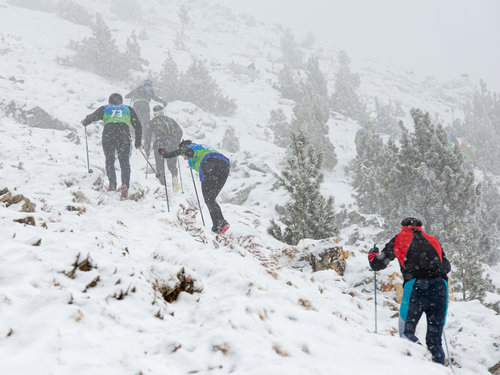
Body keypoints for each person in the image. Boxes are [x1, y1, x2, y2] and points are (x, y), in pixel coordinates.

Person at [368, 217, 451, 365]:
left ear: (403, 227)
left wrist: (372, 254)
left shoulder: (400, 238)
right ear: (420, 227)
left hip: (416, 287)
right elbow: (446, 267)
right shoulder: (433, 240)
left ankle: (418, 365)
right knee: (434, 341)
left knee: (406, 333)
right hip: (440, 288)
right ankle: (439, 368)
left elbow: (378, 263)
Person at [158, 140, 230, 235]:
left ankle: (220, 224)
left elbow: (184, 151)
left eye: (183, 155)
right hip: (225, 165)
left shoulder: (189, 147)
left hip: (210, 164)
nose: (184, 158)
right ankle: (219, 225)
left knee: (209, 199)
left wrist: (165, 154)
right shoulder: (201, 147)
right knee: (211, 199)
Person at [81, 93, 142, 200]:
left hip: (108, 135)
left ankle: (112, 184)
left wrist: (85, 121)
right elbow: (138, 125)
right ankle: (125, 186)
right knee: (124, 162)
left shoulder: (106, 108)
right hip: (123, 135)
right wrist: (137, 142)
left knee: (109, 159)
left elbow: (93, 116)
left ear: (109, 102)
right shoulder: (128, 109)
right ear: (122, 102)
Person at [145, 105, 183, 191]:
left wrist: (147, 150)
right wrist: (177, 142)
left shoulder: (152, 122)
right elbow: (180, 131)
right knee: (172, 165)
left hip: (160, 145)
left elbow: (148, 137)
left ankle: (163, 187)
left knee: (160, 166)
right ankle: (175, 185)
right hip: (173, 144)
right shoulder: (171, 120)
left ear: (154, 113)